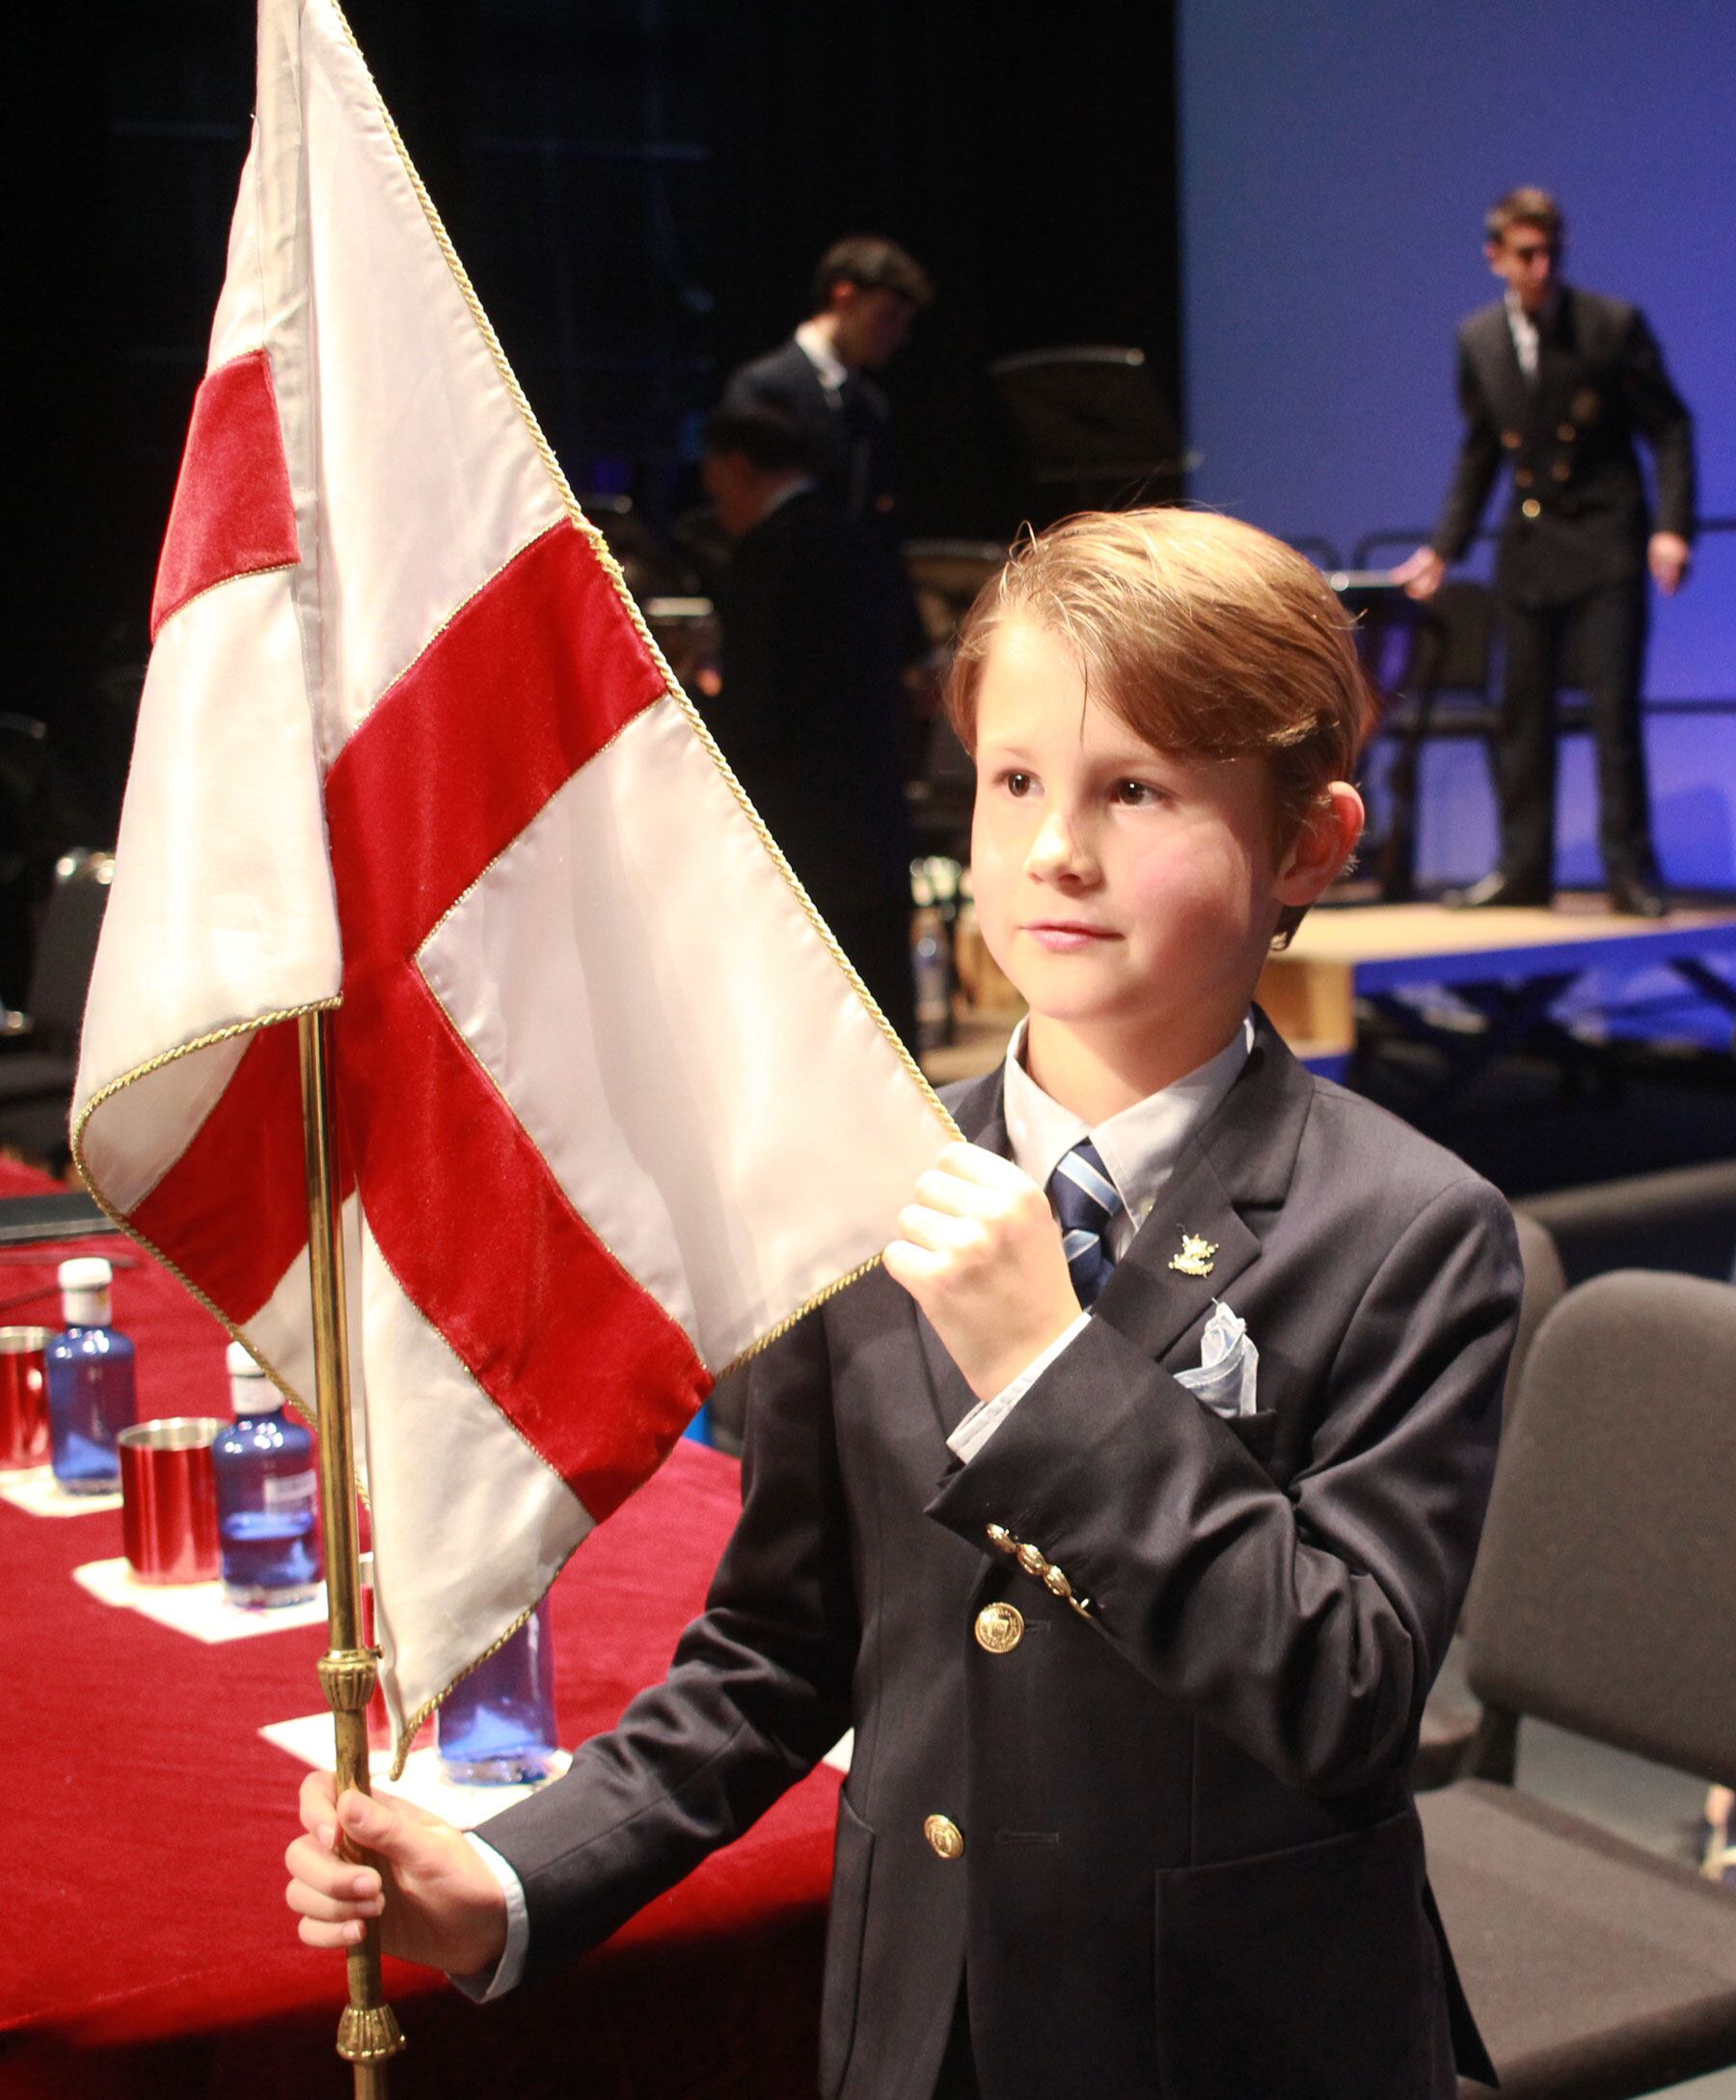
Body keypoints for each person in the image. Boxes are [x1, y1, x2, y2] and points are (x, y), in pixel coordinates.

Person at [285, 508, 1521, 2100]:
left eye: (1134, 788)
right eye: (1017, 781)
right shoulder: (870, 1170)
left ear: (1309, 844)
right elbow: (785, 1642)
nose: (1053, 850)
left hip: (1240, 2031)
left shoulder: (1415, 1232)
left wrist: (1049, 1369)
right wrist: (520, 1875)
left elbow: (1348, 1691)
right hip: (922, 2026)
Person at [1395, 187, 1696, 917]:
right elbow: (1480, 452)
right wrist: (1445, 547)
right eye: (1526, 254)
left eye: (1551, 252)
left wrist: (1672, 525)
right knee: (1520, 715)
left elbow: (1669, 428)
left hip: (1606, 540)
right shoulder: (1479, 340)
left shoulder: (1609, 326)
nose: (1542, 267)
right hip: (1528, 549)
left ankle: (1630, 870)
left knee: (1611, 710)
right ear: (1496, 257)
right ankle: (1522, 868)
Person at [698, 404, 918, 1052]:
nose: (717, 507)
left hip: (800, 823)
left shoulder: (768, 553)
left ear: (739, 468)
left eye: (715, 486)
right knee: (884, 1011)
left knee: (815, 1019)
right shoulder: (860, 536)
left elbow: (755, 708)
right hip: (873, 808)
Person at [722, 234, 932, 533]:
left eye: (903, 324)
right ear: (844, 297)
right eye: (888, 317)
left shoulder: (869, 405)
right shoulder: (763, 387)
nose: (898, 336)